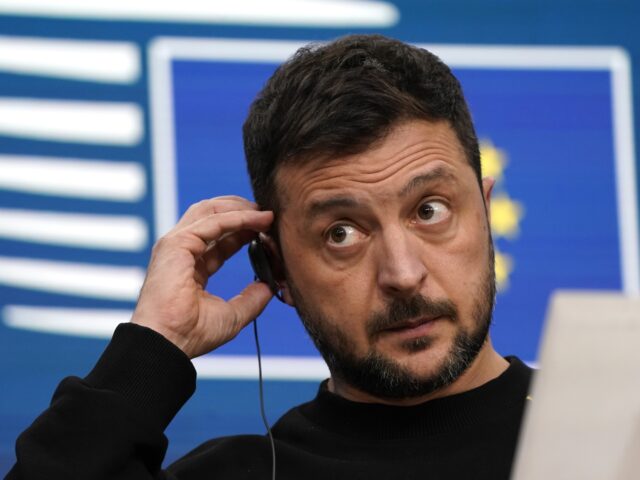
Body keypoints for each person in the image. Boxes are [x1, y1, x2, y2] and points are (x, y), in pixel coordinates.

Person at [8, 34, 532, 479]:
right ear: (275, 267)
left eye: (430, 210)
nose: (403, 273)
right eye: (342, 233)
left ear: (484, 215)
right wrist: (153, 346)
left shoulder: (609, 435)